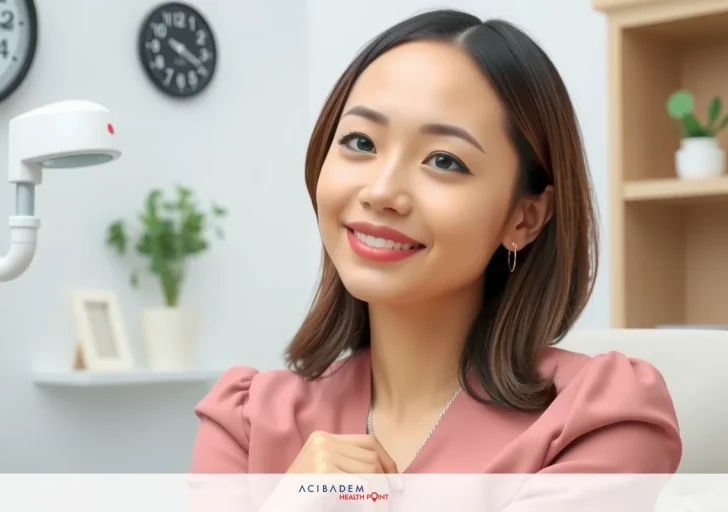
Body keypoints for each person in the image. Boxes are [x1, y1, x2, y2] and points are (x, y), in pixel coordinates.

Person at [190, 9, 682, 477]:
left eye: (444, 160)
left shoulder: (599, 419)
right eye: (361, 142)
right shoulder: (247, 422)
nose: (381, 192)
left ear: (524, 218)